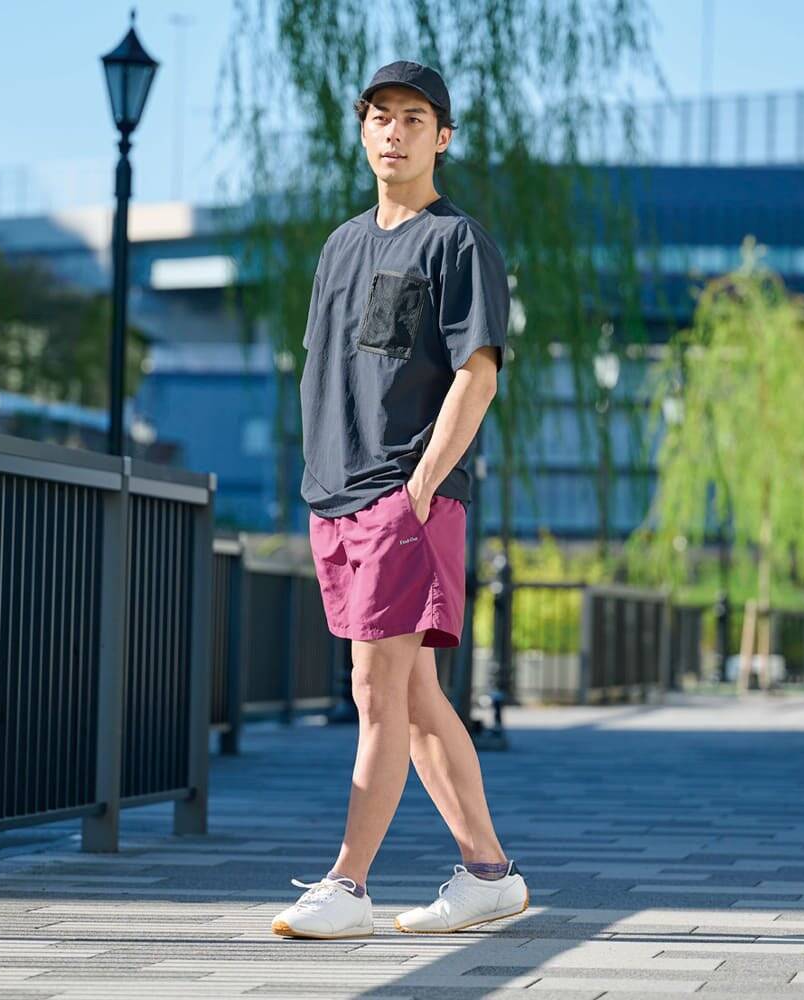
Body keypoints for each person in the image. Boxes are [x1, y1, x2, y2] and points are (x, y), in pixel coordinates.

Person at [271, 60, 528, 940]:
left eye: (415, 118)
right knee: (413, 696)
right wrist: (323, 486)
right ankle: (488, 873)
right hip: (337, 497)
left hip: (403, 500)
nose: (395, 131)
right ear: (362, 131)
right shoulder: (341, 245)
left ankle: (347, 885)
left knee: (375, 690)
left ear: (442, 138)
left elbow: (477, 375)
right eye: (380, 116)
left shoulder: (458, 243)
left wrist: (418, 490)